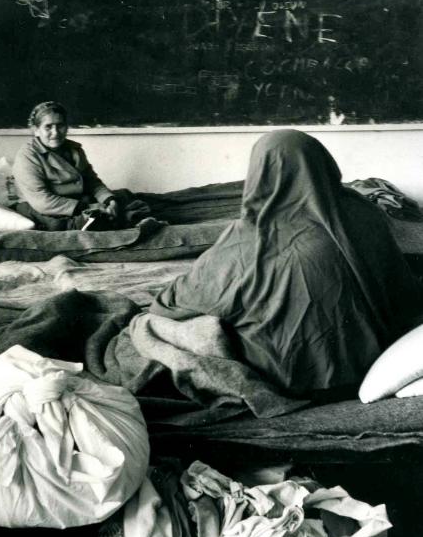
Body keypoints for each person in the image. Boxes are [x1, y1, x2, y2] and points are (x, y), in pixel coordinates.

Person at [150, 129, 423, 400]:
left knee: (146, 326)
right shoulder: (365, 213)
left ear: (259, 172)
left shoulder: (247, 240)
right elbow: (401, 293)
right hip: (372, 362)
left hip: (292, 380)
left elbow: (174, 304)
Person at [13, 101, 150, 230]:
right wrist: (89, 207)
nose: (55, 133)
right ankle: (109, 221)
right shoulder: (27, 156)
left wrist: (109, 201)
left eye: (60, 126)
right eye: (48, 127)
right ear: (36, 130)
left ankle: (112, 217)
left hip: (78, 201)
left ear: (66, 127)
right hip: (49, 206)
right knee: (56, 224)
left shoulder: (74, 149)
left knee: (123, 196)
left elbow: (92, 182)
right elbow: (42, 201)